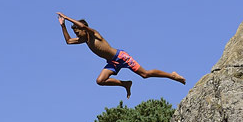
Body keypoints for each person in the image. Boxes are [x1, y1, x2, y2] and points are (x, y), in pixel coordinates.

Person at [57, 13, 186, 98]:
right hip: (112, 62)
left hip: (121, 57)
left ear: (84, 29)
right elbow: (68, 41)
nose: (77, 35)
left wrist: (67, 18)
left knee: (145, 74)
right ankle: (125, 84)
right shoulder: (84, 40)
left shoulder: (94, 34)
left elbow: (82, 26)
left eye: (78, 32)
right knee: (100, 81)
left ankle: (172, 75)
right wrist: (63, 25)